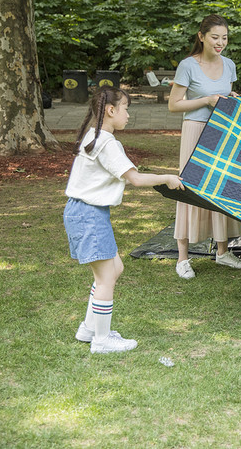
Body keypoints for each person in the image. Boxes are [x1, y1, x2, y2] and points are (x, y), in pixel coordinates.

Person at [65, 87, 184, 353]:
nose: (128, 115)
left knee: (114, 268)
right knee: (107, 276)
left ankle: (89, 328)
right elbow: (136, 179)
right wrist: (168, 178)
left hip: (85, 212)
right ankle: (102, 340)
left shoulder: (93, 135)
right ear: (110, 110)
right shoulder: (107, 142)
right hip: (88, 215)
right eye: (126, 108)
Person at [168, 14, 241, 279]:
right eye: (215, 37)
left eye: (224, 38)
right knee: (189, 188)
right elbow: (174, 105)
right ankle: (182, 258)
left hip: (222, 133)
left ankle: (223, 252)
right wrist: (205, 100)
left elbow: (223, 96)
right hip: (196, 130)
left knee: (222, 188)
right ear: (201, 37)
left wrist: (230, 98)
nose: (220, 42)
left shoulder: (230, 65)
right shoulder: (187, 66)